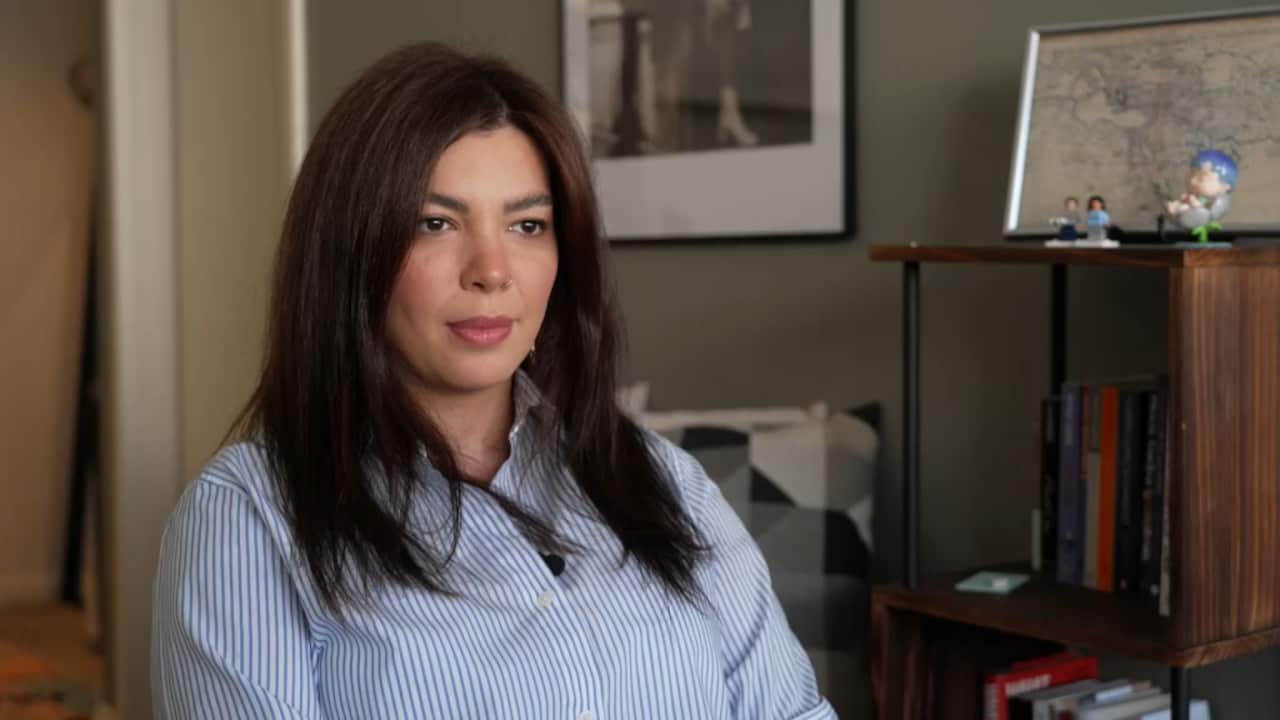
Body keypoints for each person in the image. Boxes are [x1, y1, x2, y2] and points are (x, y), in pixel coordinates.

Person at [151, 44, 836, 720]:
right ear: (351, 253)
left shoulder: (665, 483)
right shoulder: (249, 520)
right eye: (436, 222)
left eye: (528, 224)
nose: (492, 269)